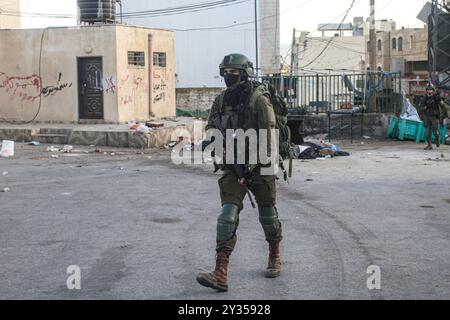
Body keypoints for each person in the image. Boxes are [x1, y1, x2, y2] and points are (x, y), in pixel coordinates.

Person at [196, 53, 283, 292]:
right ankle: (220, 272)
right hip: (234, 165)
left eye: (232, 72)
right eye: (224, 72)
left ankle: (274, 254)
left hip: (261, 166)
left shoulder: (259, 101)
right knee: (227, 216)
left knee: (267, 216)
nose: (227, 76)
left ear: (244, 73)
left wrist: (253, 167)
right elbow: (212, 125)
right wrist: (215, 143)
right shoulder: (222, 100)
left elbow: (268, 136)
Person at [419, 84, 448, 150]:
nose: (429, 91)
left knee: (435, 132)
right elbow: (420, 107)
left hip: (434, 116)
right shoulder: (425, 98)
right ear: (426, 91)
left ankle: (437, 138)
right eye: (428, 90)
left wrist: (445, 115)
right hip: (426, 115)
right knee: (427, 132)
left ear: (433, 90)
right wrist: (422, 112)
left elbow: (443, 106)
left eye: (431, 90)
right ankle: (429, 145)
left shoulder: (436, 97)